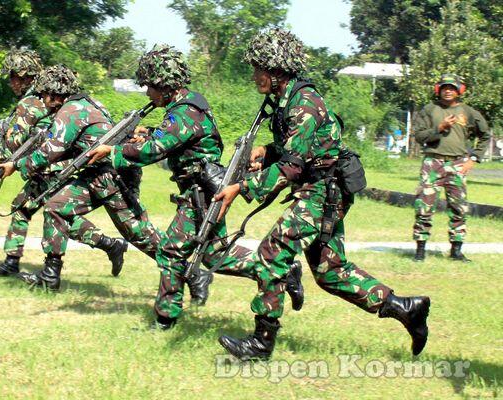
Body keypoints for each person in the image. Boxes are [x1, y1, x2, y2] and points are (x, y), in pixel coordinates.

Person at [211, 28, 430, 360]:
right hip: (321, 188)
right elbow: (300, 148)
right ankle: (405, 308)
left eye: (259, 68)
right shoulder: (287, 101)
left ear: (276, 69)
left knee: (271, 254)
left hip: (322, 192)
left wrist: (242, 187)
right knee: (331, 272)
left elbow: (294, 167)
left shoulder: (305, 103)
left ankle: (260, 343)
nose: (254, 75)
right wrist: (266, 152)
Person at [87, 44, 304, 329]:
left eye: (150, 87)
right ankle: (283, 270)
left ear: (165, 85)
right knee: (214, 254)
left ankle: (165, 319)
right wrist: (148, 133)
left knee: (171, 251)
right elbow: (171, 138)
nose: (148, 93)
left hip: (201, 191)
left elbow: (155, 150)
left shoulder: (186, 110)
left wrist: (113, 152)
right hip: (201, 189)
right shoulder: (185, 106)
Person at [0, 65, 161, 290]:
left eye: (45, 94)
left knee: (140, 234)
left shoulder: (71, 111)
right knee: (56, 207)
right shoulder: (88, 103)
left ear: (56, 93)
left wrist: (17, 165)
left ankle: (192, 274)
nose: (43, 99)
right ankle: (49, 276)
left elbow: (51, 150)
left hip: (112, 178)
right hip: (96, 175)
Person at [0, 49, 123, 277]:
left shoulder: (31, 102)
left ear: (24, 76)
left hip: (52, 166)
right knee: (26, 208)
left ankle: (103, 246)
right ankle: (14, 262)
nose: (10, 82)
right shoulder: (51, 97)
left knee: (55, 214)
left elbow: (17, 143)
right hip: (55, 163)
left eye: (13, 76)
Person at [412, 73, 490, 262]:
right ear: (438, 89)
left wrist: (473, 159)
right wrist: (439, 128)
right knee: (424, 206)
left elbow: (485, 135)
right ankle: (420, 250)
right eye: (445, 87)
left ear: (459, 91)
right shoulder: (429, 110)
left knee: (459, 208)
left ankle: (456, 250)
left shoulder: (469, 112)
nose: (448, 91)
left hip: (457, 164)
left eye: (452, 88)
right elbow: (419, 136)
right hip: (433, 163)